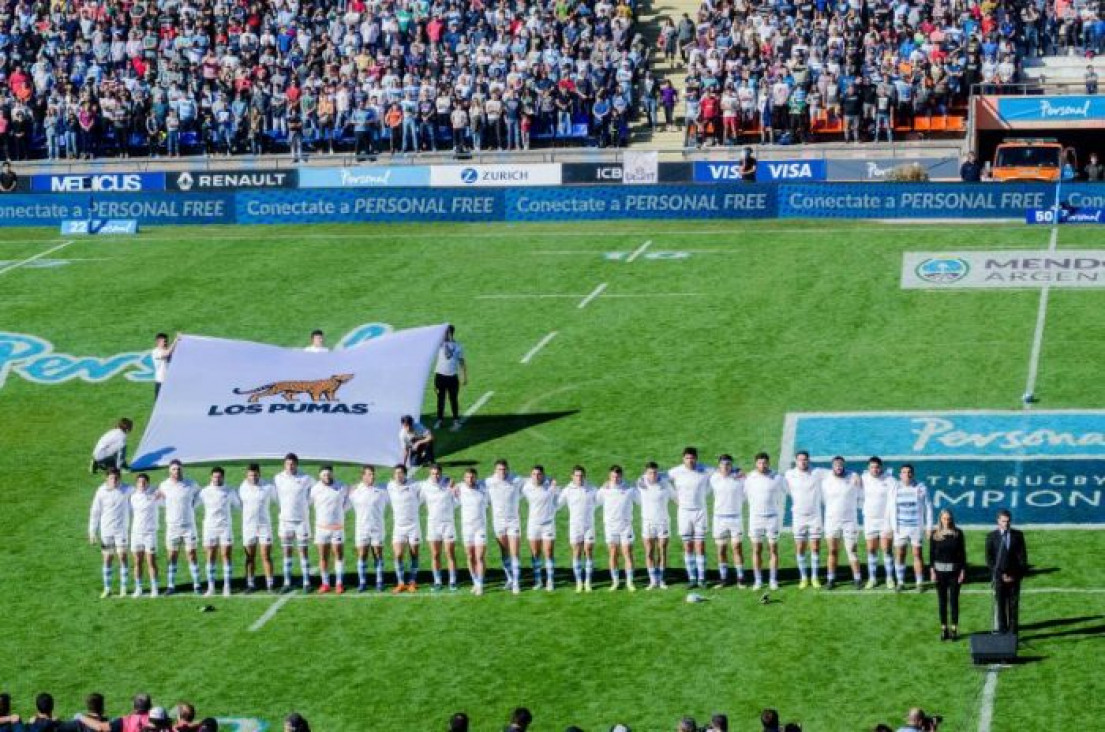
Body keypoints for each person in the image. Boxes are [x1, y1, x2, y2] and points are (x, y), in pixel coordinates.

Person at [668, 447, 711, 588]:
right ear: (683, 459)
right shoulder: (676, 471)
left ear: (696, 459)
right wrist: (674, 496)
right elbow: (657, 477)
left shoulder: (705, 470)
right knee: (687, 546)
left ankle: (702, 578)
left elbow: (723, 470)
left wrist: (737, 472)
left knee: (700, 545)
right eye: (687, 458)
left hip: (700, 511)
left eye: (692, 458)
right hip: (684, 512)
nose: (690, 460)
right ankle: (692, 578)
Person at [887, 464, 932, 593]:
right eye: (904, 472)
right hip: (900, 528)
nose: (907, 474)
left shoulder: (921, 487)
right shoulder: (894, 488)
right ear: (900, 475)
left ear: (913, 474)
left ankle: (919, 582)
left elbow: (928, 508)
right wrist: (889, 526)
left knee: (917, 554)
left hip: (915, 527)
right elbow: (889, 508)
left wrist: (929, 527)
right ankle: (900, 582)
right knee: (900, 554)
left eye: (909, 472)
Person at [89, 467, 133, 598]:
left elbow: (142, 492)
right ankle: (107, 588)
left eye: (116, 478)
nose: (114, 480)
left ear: (120, 478)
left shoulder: (128, 490)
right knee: (107, 558)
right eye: (111, 478)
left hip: (122, 531)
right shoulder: (101, 491)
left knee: (122, 557)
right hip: (106, 531)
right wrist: (92, 532)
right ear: (106, 478)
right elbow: (95, 512)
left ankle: (123, 588)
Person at [821, 457, 864, 589]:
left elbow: (862, 494)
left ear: (844, 465)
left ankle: (857, 579)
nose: (838, 467)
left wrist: (858, 477)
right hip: (831, 521)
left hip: (850, 521)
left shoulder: (853, 477)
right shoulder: (825, 479)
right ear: (832, 466)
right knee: (832, 550)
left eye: (840, 465)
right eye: (836, 465)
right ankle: (831, 579)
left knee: (852, 550)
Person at [160, 460, 202, 595]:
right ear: (169, 470)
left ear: (182, 469)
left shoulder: (191, 484)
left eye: (178, 469)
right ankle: (171, 585)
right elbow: (159, 499)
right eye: (174, 469)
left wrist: (192, 506)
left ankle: (197, 584)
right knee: (172, 555)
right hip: (172, 527)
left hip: (189, 526)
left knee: (191, 554)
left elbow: (199, 496)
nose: (176, 471)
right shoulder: (164, 485)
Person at [745, 452, 785, 590]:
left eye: (765, 463)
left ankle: (773, 579)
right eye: (760, 463)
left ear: (769, 463)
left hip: (772, 518)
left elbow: (788, 489)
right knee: (756, 549)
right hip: (755, 518)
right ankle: (758, 580)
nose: (762, 465)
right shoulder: (749, 478)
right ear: (756, 463)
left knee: (773, 549)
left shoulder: (777, 477)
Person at [785, 451, 825, 589]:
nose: (803, 462)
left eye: (805, 459)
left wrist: (854, 474)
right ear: (796, 461)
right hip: (798, 516)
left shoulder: (817, 472)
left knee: (815, 547)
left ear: (809, 460)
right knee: (800, 548)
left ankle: (814, 577)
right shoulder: (789, 474)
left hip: (815, 516)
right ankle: (803, 577)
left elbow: (836, 470)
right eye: (800, 460)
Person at [986, 509, 1029, 634]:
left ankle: (1013, 632)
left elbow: (1022, 558)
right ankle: (1002, 630)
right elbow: (989, 559)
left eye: (1008, 521)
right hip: (999, 578)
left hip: (1014, 578)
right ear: (998, 521)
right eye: (1004, 521)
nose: (1006, 524)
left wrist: (1016, 575)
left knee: (1013, 606)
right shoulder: (991, 537)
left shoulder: (1018, 535)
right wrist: (1000, 574)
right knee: (1000, 606)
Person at [275, 453, 313, 592]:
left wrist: (304, 508)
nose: (290, 466)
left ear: (297, 464)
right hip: (285, 521)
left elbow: (313, 494)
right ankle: (286, 582)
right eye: (287, 464)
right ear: (284, 465)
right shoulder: (278, 478)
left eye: (292, 464)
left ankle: (306, 582)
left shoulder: (306, 478)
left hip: (301, 521)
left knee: (303, 551)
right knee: (287, 552)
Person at [597, 465, 639, 591]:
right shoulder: (604, 490)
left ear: (621, 476)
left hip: (625, 526)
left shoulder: (629, 489)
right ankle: (615, 582)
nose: (615, 479)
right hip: (610, 526)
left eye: (617, 476)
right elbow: (593, 502)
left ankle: (630, 582)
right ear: (609, 476)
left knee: (627, 553)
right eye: (613, 476)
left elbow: (642, 501)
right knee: (613, 553)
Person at [200, 467, 240, 597]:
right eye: (214, 477)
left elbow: (237, 506)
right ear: (211, 477)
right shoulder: (204, 492)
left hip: (225, 528)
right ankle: (211, 587)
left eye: (219, 477)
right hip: (209, 528)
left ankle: (227, 586)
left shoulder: (229, 491)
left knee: (226, 555)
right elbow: (193, 504)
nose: (217, 479)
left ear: (223, 477)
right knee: (210, 555)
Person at [486, 459, 524, 593]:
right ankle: (510, 578)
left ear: (508, 469)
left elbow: (533, 480)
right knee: (504, 552)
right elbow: (472, 484)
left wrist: (550, 480)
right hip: (498, 522)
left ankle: (516, 583)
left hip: (513, 521)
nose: (502, 472)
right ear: (495, 471)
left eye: (504, 469)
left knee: (514, 552)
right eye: (499, 470)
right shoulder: (489, 482)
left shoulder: (516, 479)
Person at [310, 465, 349, 594]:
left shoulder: (341, 486)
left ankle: (339, 583)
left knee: (338, 554)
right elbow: (309, 504)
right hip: (321, 528)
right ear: (320, 476)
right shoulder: (315, 489)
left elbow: (347, 503)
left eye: (328, 474)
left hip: (337, 527)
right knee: (323, 556)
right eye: (324, 475)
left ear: (332, 474)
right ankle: (325, 583)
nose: (326, 477)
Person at [929, 509, 967, 641]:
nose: (947, 521)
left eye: (949, 518)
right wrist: (932, 570)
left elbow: (962, 553)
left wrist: (962, 570)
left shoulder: (958, 534)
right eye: (944, 518)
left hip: (954, 573)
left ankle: (954, 628)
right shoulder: (935, 535)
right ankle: (944, 628)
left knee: (954, 601)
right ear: (940, 519)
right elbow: (931, 554)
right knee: (942, 601)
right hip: (940, 573)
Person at [351, 466, 389, 592]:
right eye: (369, 474)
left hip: (377, 528)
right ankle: (362, 582)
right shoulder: (355, 491)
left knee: (378, 554)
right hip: (362, 528)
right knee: (362, 555)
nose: (372, 477)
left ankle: (379, 581)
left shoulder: (382, 490)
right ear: (363, 476)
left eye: (373, 474)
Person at [560, 465, 598, 592]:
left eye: (581, 475)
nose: (579, 478)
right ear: (572, 477)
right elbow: (557, 504)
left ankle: (588, 581)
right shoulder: (567, 490)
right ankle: (579, 582)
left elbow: (602, 499)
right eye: (576, 475)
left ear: (584, 476)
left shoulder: (592, 488)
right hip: (575, 526)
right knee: (576, 552)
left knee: (588, 551)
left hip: (589, 526)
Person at [710, 455, 746, 588]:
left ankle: (741, 578)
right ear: (719, 466)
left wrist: (742, 473)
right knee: (721, 549)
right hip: (719, 519)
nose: (725, 467)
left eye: (728, 464)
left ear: (732, 465)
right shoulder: (713, 478)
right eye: (723, 464)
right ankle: (724, 578)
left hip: (735, 518)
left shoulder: (739, 478)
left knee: (737, 548)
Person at [421, 464, 459, 591]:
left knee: (450, 553)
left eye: (437, 473)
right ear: (429, 473)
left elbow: (457, 499)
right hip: (433, 525)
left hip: (448, 524)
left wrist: (453, 489)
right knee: (435, 554)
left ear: (441, 473)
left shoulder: (448, 482)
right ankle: (437, 581)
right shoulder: (424, 486)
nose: (435, 476)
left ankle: (452, 581)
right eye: (433, 473)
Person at [638, 462, 675, 589]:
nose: (652, 475)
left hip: (663, 522)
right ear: (646, 473)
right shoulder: (641, 483)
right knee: (649, 551)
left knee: (662, 551)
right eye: (650, 473)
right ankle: (653, 580)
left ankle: (662, 579)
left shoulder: (665, 484)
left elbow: (676, 498)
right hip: (647, 522)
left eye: (655, 472)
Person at [387, 464, 424, 592]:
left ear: (405, 474)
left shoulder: (415, 485)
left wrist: (447, 482)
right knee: (398, 555)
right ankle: (401, 582)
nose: (398, 475)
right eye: (396, 473)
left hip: (413, 526)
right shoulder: (390, 486)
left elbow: (429, 484)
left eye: (400, 473)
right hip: (398, 527)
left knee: (414, 554)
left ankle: (413, 581)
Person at [522, 465, 560, 591]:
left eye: (539, 474)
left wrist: (552, 480)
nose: (536, 476)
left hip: (548, 524)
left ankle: (550, 580)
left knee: (548, 551)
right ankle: (538, 580)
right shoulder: (526, 486)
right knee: (535, 553)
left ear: (543, 475)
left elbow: (558, 498)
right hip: (533, 525)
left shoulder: (550, 485)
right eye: (534, 474)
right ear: (530, 475)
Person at [240, 463, 276, 592]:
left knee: (266, 555)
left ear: (259, 474)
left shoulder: (268, 487)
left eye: (255, 475)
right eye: (250, 475)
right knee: (249, 557)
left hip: (264, 527)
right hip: (248, 527)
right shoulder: (242, 487)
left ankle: (270, 584)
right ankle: (250, 584)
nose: (253, 477)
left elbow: (278, 500)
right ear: (247, 475)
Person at [862, 456, 896, 589]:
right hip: (870, 520)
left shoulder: (890, 480)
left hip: (885, 521)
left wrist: (890, 521)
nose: (875, 470)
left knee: (887, 549)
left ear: (881, 467)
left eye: (877, 467)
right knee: (871, 549)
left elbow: (893, 501)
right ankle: (872, 578)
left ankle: (889, 578)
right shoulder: (863, 478)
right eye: (872, 467)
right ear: (868, 468)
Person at [129, 473, 162, 597]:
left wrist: (158, 493)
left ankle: (154, 588)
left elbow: (165, 494)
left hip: (150, 534)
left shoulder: (154, 495)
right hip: (136, 533)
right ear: (136, 484)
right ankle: (138, 588)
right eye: (139, 482)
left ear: (148, 483)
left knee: (151, 561)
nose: (142, 484)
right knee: (137, 561)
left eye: (144, 482)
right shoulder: (132, 497)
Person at [458, 467, 489, 594]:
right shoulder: (459, 488)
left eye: (472, 477)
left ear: (476, 478)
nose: (470, 480)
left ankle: (480, 584)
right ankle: (475, 581)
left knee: (479, 556)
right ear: (464, 478)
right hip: (467, 529)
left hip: (480, 528)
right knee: (470, 556)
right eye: (467, 477)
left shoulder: (483, 489)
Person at [433, 325, 468, 430]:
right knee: (440, 400)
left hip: (452, 377)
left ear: (449, 333)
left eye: (445, 333)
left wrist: (464, 376)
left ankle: (455, 420)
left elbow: (461, 362)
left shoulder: (458, 346)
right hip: (440, 376)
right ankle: (440, 420)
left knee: (453, 400)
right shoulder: (440, 344)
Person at [151, 333, 176, 399]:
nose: (166, 343)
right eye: (164, 341)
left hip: (169, 382)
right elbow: (166, 353)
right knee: (158, 404)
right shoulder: (155, 351)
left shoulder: (167, 351)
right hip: (161, 382)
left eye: (166, 341)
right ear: (158, 342)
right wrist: (176, 340)